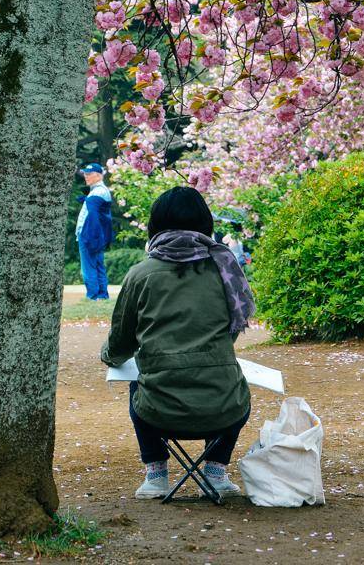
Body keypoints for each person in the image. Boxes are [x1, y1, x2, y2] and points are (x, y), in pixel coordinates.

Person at [101, 186, 255, 500]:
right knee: (238, 388)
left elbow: (120, 344)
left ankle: (156, 474)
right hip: (224, 407)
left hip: (158, 410)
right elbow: (231, 331)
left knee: (137, 385)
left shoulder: (140, 274)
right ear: (206, 225)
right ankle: (215, 471)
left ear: (154, 226)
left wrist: (109, 356)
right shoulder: (226, 271)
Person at [76, 163, 114, 301]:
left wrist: (89, 237)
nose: (86, 176)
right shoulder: (100, 190)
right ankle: (102, 296)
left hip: (89, 235)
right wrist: (86, 200)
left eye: (89, 174)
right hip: (98, 235)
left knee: (88, 267)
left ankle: (92, 296)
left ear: (98, 176)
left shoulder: (97, 192)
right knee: (98, 266)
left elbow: (93, 215)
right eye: (85, 174)